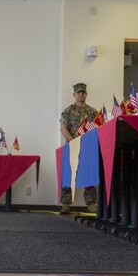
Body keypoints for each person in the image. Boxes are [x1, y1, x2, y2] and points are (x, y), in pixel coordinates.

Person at [60, 82, 98, 214]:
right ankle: (65, 203)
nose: (81, 95)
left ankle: (91, 203)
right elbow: (63, 128)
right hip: (71, 148)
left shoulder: (92, 112)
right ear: (74, 95)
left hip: (87, 148)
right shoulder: (68, 111)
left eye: (83, 92)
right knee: (68, 175)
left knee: (89, 175)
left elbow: (97, 130)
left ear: (86, 94)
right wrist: (73, 142)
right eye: (78, 93)